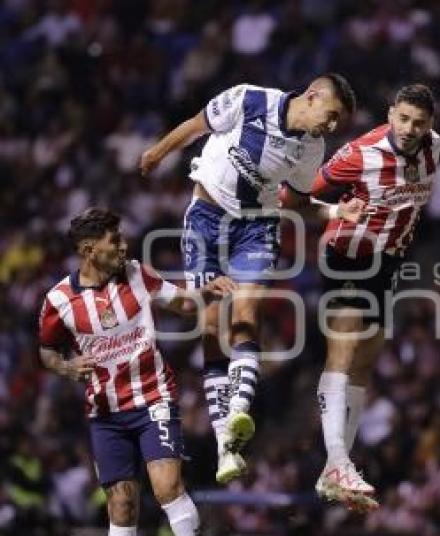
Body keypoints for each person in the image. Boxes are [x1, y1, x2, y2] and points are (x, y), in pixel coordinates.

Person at [139, 74, 365, 483]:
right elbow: (196, 125)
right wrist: (158, 153)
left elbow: (296, 204)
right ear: (311, 97)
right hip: (205, 219)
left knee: (245, 311)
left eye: (338, 124)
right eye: (331, 117)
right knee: (211, 323)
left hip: (256, 227)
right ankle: (223, 435)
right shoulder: (249, 99)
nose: (331, 128)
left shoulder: (311, 148)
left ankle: (237, 420)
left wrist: (335, 212)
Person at [38, 208, 236, 536]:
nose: (124, 246)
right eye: (114, 241)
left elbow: (183, 303)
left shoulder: (137, 274)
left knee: (167, 487)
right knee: (121, 502)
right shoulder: (58, 301)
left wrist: (206, 292)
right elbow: (47, 351)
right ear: (88, 250)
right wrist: (67, 367)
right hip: (105, 413)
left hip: (152, 398)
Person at [282, 83, 440, 510]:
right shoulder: (358, 154)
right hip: (346, 255)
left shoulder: (434, 148)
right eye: (403, 118)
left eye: (419, 123)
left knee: (366, 361)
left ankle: (333, 472)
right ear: (391, 115)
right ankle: (336, 461)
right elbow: (292, 198)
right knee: (344, 349)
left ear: (431, 126)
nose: (410, 129)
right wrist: (335, 211)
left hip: (387, 262)